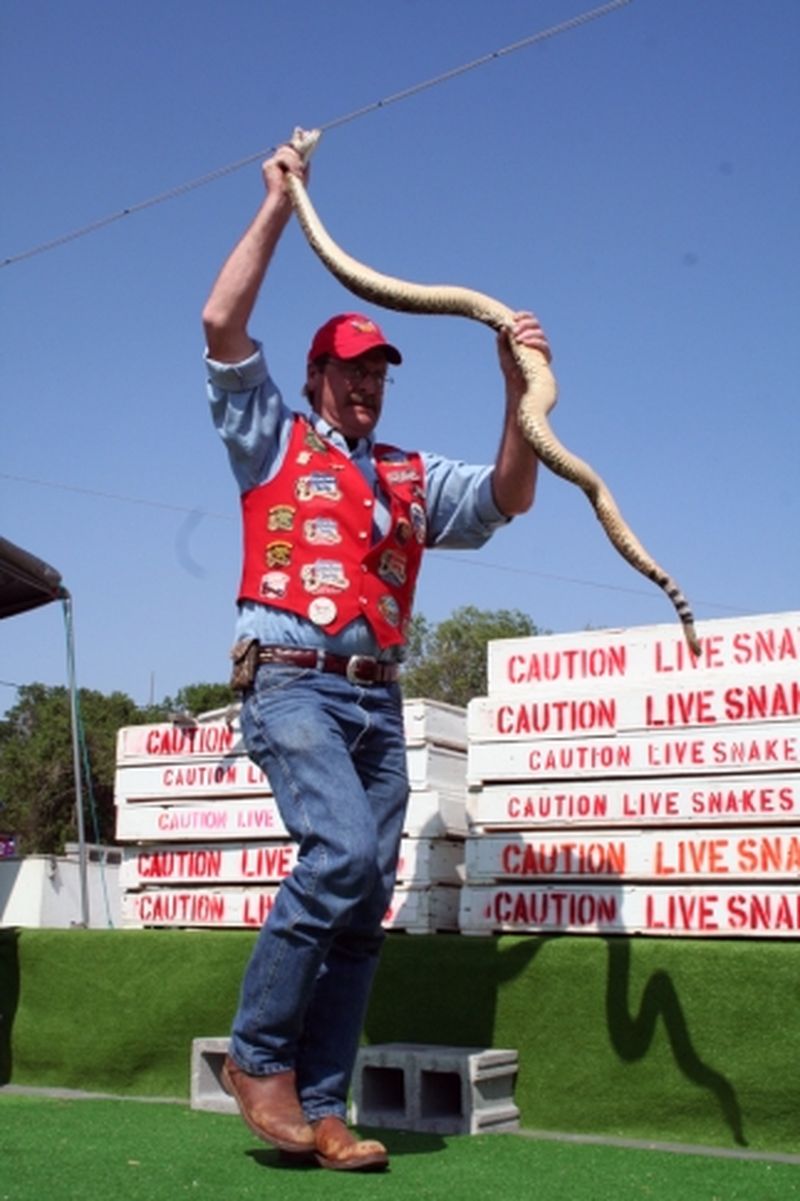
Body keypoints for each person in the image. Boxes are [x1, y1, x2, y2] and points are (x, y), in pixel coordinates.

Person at [202, 140, 551, 1172]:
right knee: (343, 856)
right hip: (290, 681)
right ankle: (257, 1057)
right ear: (313, 375)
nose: (364, 384)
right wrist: (277, 203)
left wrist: (516, 388)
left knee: (363, 910)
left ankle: (320, 1106)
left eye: (376, 372)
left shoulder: (404, 474)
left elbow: (507, 496)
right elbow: (222, 324)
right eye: (348, 369)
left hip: (375, 701)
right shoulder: (268, 436)